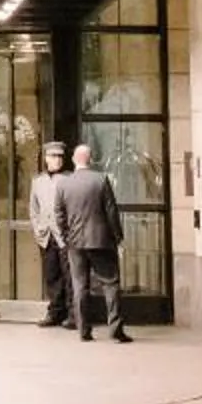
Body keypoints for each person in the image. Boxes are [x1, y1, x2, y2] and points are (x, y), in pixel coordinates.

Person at [51, 139, 130, 342]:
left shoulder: (64, 183)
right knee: (110, 284)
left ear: (73, 160)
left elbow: (58, 214)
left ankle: (83, 330)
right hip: (101, 241)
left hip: (75, 243)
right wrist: (118, 237)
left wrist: (66, 235)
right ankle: (115, 328)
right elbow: (111, 212)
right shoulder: (101, 180)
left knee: (80, 286)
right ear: (91, 159)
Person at [27, 140, 71, 328]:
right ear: (45, 158)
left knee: (69, 275)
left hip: (65, 235)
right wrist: (38, 230)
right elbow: (33, 209)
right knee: (51, 275)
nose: (57, 160)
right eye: (53, 156)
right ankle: (55, 312)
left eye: (60, 156)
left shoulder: (69, 179)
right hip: (46, 236)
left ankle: (73, 314)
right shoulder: (38, 181)